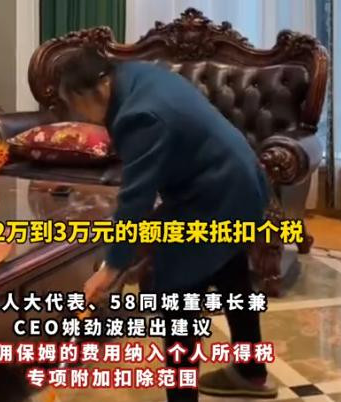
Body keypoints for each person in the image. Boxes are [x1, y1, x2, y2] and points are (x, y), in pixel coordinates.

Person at [57, 47, 278, 401]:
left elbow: (136, 199)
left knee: (177, 291)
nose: (79, 115)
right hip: (240, 181)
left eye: (76, 104)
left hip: (215, 196)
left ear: (95, 89)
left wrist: (111, 268)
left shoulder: (139, 114)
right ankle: (250, 372)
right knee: (230, 271)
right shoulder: (138, 75)